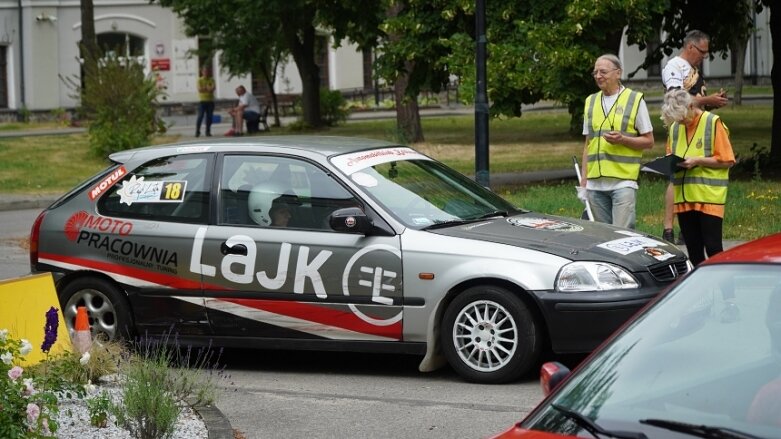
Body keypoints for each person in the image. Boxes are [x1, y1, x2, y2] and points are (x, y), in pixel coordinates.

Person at [661, 30, 729, 244]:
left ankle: (691, 222)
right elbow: (676, 99)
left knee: (695, 173)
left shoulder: (693, 69)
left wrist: (710, 100)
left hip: (698, 123)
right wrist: (707, 99)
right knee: (677, 174)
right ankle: (669, 228)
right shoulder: (674, 66)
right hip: (682, 123)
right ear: (690, 47)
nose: (704, 56)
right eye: (702, 51)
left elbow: (695, 99)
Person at [660, 89, 735, 266]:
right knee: (693, 250)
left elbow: (727, 160)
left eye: (683, 118)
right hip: (684, 198)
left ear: (692, 106)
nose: (681, 122)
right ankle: (702, 292)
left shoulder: (712, 122)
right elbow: (670, 155)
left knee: (713, 247)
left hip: (709, 197)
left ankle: (727, 292)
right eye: (677, 120)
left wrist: (698, 160)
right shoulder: (676, 127)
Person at [580, 54, 655, 229]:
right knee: (602, 237)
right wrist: (584, 180)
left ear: (618, 73)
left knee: (622, 236)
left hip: (623, 182)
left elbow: (649, 141)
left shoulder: (634, 100)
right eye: (595, 72)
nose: (598, 76)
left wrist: (623, 140)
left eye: (603, 71)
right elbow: (588, 144)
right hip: (595, 185)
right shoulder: (590, 101)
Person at [195, 66, 216, 137]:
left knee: (209, 117)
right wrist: (207, 88)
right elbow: (200, 90)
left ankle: (208, 131)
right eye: (204, 71)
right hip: (202, 101)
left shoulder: (211, 80)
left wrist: (206, 88)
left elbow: (212, 89)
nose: (206, 73)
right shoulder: (200, 80)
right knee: (200, 116)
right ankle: (197, 131)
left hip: (210, 101)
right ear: (202, 72)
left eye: (207, 71)